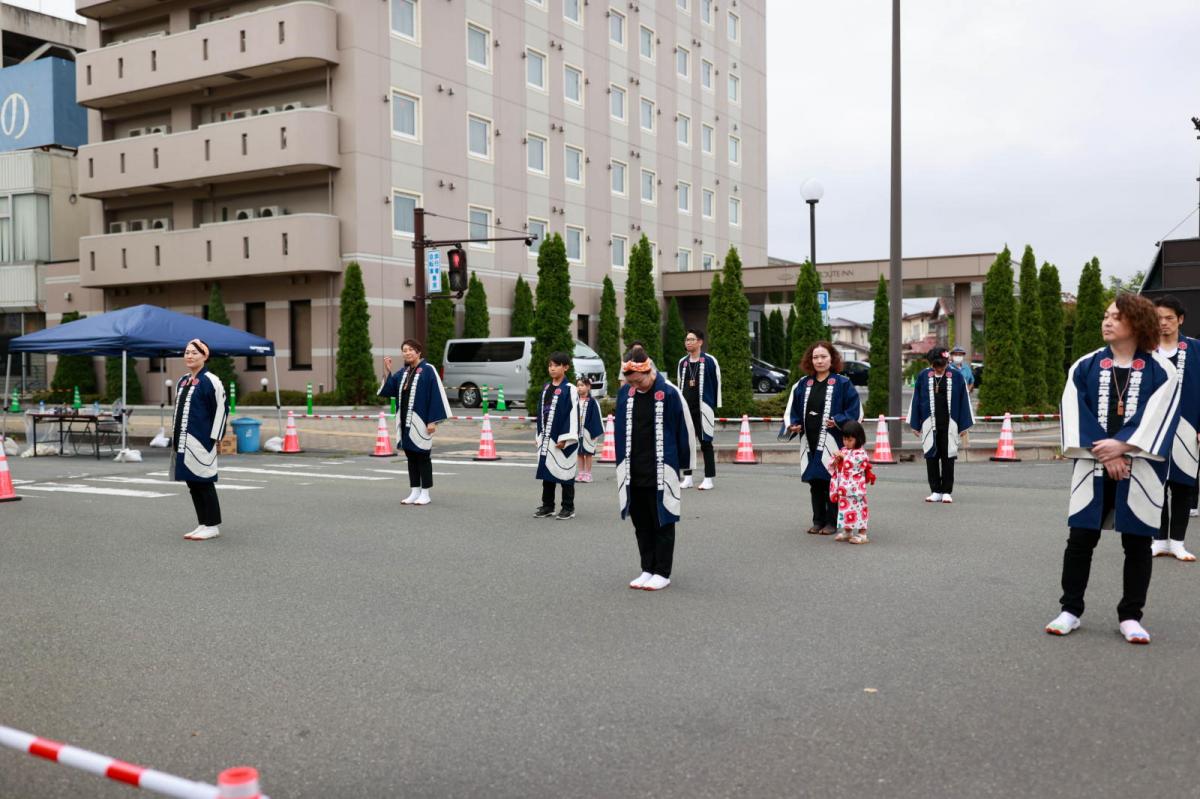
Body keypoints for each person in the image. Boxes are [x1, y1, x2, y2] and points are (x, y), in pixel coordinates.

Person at [1047, 294, 1182, 644]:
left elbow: (1159, 416)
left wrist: (1123, 446)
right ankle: (1070, 610)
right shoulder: (1086, 365)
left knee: (1137, 542)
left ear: (1136, 323)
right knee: (1080, 538)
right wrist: (1107, 453)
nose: (1107, 322)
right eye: (1105, 316)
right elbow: (1074, 410)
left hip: (1141, 467)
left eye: (1115, 318)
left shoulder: (1161, 370)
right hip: (1093, 463)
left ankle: (1130, 616)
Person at [615, 345, 696, 591]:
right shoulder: (626, 394)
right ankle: (647, 568)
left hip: (662, 468)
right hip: (633, 469)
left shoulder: (669, 393)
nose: (636, 386)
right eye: (632, 382)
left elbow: (685, 429)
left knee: (663, 520)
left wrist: (686, 466)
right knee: (641, 523)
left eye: (640, 381)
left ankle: (662, 571)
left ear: (650, 371)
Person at [781, 341, 863, 535]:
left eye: (823, 357)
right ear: (810, 360)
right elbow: (791, 410)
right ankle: (817, 520)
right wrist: (793, 424)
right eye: (815, 357)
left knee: (831, 481)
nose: (819, 361)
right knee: (815, 482)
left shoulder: (842, 383)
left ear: (832, 359)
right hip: (808, 440)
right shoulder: (803, 384)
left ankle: (832, 522)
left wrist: (838, 421)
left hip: (832, 441)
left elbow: (855, 410)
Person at [1152, 296, 1200, 561]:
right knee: (1155, 484)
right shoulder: (1145, 351)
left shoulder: (1195, 349)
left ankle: (1178, 542)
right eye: (1158, 318)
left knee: (1183, 486)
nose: (1163, 323)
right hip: (1153, 430)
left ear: (1180, 319)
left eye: (1169, 318)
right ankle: (1159, 539)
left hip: (1188, 426)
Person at [378, 339, 451, 506]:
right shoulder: (403, 373)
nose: (407, 352)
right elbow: (389, 390)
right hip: (405, 421)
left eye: (411, 349)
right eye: (404, 350)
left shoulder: (428, 370)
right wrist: (388, 371)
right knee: (411, 456)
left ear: (419, 352)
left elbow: (436, 395)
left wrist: (432, 421)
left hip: (422, 421)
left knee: (423, 456)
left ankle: (425, 493)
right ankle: (414, 491)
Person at [170, 338, 229, 541]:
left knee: (204, 481)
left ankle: (212, 525)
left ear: (205, 356)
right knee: (192, 483)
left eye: (194, 352)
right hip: (183, 441)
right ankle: (203, 523)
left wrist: (215, 438)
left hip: (202, 440)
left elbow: (221, 409)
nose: (189, 356)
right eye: (186, 352)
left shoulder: (211, 380)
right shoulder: (183, 380)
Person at [908, 347, 974, 504]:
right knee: (931, 456)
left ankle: (946, 491)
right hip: (929, 423)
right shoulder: (924, 376)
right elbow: (916, 400)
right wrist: (915, 424)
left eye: (942, 366)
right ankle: (935, 490)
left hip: (949, 423)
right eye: (936, 366)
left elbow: (964, 400)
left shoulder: (956, 376)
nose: (939, 369)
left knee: (948, 456)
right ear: (931, 364)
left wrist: (963, 426)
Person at [533, 352, 579, 519]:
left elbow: (573, 415)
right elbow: (541, 413)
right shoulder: (546, 388)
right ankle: (548, 505)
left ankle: (568, 507)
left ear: (565, 367)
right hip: (546, 438)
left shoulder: (570, 389)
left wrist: (566, 438)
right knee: (548, 472)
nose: (552, 368)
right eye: (550, 365)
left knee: (565, 473)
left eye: (556, 365)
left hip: (562, 438)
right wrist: (538, 435)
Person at [677, 329, 721, 490]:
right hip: (686, 409)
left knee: (706, 442)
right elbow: (680, 384)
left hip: (704, 408)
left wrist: (714, 405)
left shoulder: (709, 361)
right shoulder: (683, 362)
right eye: (686, 339)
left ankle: (708, 478)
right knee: (686, 443)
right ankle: (687, 477)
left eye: (691, 339)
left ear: (700, 342)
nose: (688, 342)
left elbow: (717, 384)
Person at [829, 419, 876, 544]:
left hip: (856, 489)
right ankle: (848, 531)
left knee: (859, 509)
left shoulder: (861, 453)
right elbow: (833, 465)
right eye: (845, 439)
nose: (846, 442)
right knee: (845, 510)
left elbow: (858, 463)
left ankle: (862, 534)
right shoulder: (844, 450)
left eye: (850, 440)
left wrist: (845, 458)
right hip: (844, 488)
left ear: (858, 439)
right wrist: (836, 460)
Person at [576, 375, 604, 483]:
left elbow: (597, 417)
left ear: (588, 387)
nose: (580, 388)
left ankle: (588, 474)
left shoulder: (593, 402)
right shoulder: (575, 401)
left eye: (582, 385)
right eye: (578, 385)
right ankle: (581, 473)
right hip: (578, 431)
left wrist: (595, 432)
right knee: (579, 453)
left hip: (589, 431)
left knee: (588, 453)